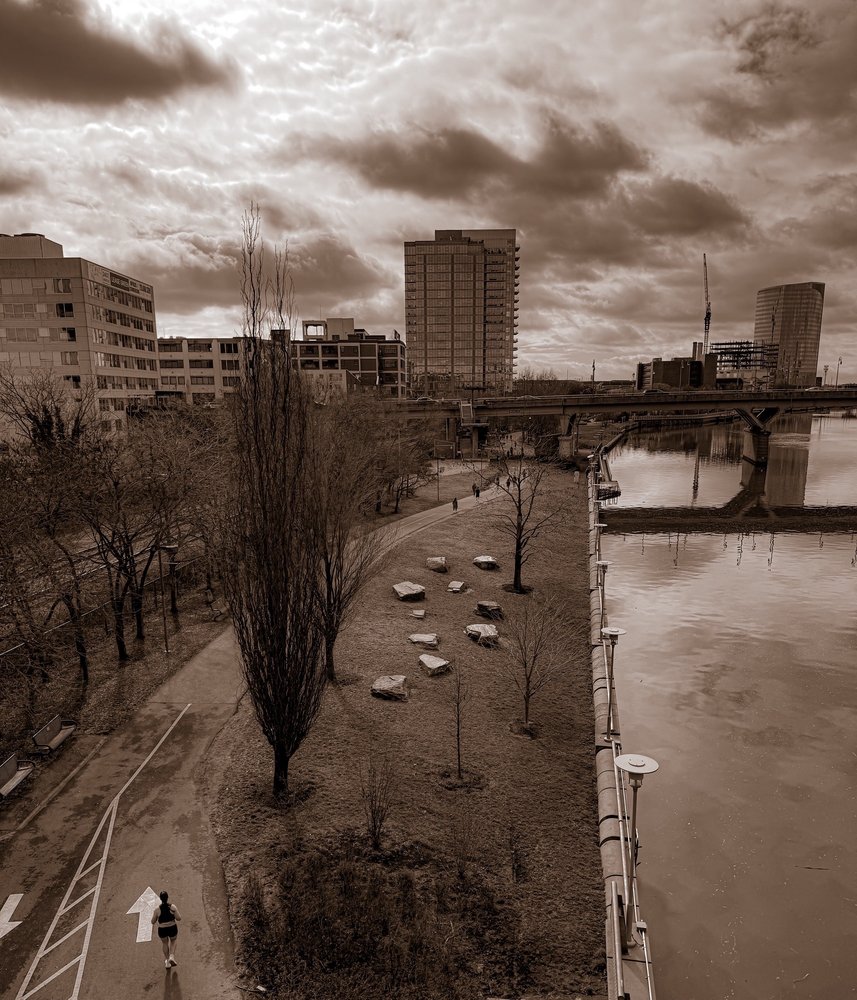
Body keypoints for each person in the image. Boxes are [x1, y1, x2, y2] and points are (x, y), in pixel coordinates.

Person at [152, 890, 181, 969]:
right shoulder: (172, 907)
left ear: (160, 899)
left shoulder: (157, 910)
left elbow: (153, 921)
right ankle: (172, 956)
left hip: (162, 930)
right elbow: (179, 918)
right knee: (173, 941)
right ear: (167, 898)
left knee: (165, 943)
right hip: (172, 928)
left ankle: (167, 962)